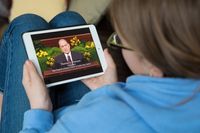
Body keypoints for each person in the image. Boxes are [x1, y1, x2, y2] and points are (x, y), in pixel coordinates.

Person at [0, 0, 200, 133]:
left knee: (25, 24)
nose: (66, 45)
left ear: (154, 68)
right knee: (70, 20)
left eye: (120, 39)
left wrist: (39, 108)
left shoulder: (91, 121)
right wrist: (107, 91)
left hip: (46, 122)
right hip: (92, 102)